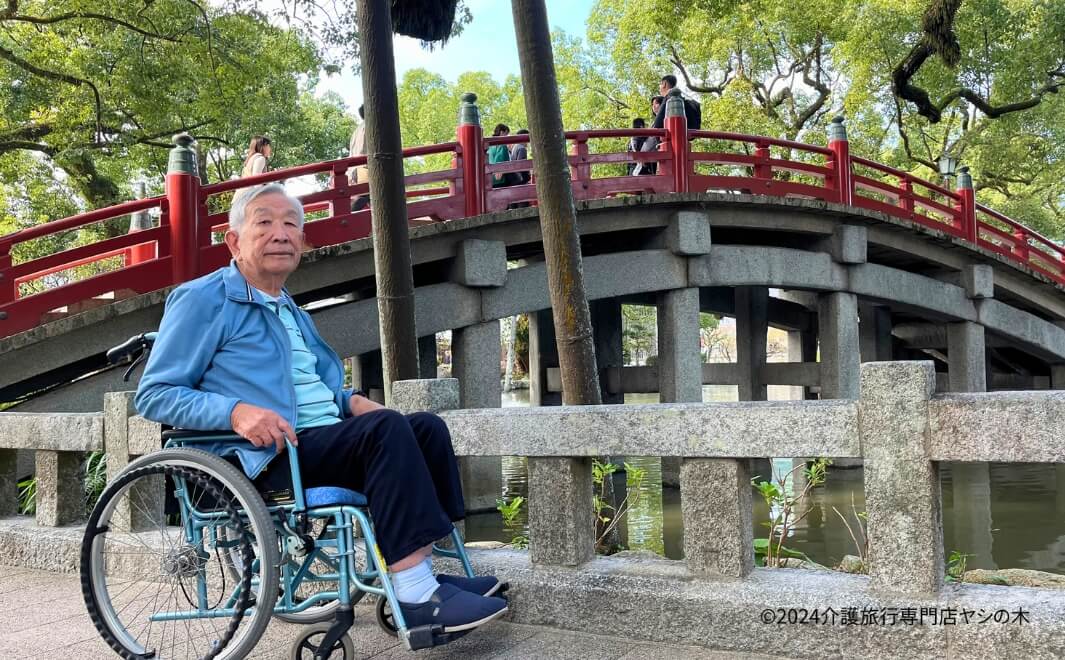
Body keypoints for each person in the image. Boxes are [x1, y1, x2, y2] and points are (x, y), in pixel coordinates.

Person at [135, 183, 508, 634]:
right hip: (263, 455)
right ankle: (415, 597)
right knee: (386, 431)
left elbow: (312, 388)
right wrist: (236, 412)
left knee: (425, 427)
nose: (281, 234)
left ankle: (423, 571)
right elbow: (155, 394)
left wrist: (350, 400)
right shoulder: (203, 299)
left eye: (291, 224)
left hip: (318, 443)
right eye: (265, 222)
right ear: (234, 241)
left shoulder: (290, 309)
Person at [349, 105, 370, 212]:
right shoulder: (371, 125)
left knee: (365, 196)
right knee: (368, 194)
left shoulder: (356, 130)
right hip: (365, 168)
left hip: (354, 169)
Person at [487, 123, 512, 189]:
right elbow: (500, 159)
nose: (507, 136)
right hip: (500, 177)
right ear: (501, 132)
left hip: (490, 177)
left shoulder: (490, 145)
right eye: (506, 134)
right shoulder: (502, 145)